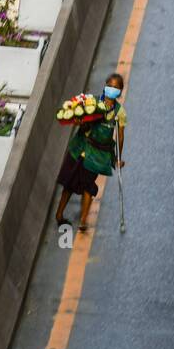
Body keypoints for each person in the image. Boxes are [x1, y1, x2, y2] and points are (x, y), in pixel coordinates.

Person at [54, 72, 128, 232]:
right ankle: (59, 215)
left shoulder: (119, 113)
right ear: (105, 86)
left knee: (88, 186)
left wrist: (118, 158)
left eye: (116, 87)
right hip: (80, 147)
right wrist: (80, 122)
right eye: (110, 86)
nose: (112, 89)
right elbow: (80, 121)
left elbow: (120, 137)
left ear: (120, 92)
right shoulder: (91, 103)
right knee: (69, 184)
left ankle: (83, 220)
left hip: (98, 154)